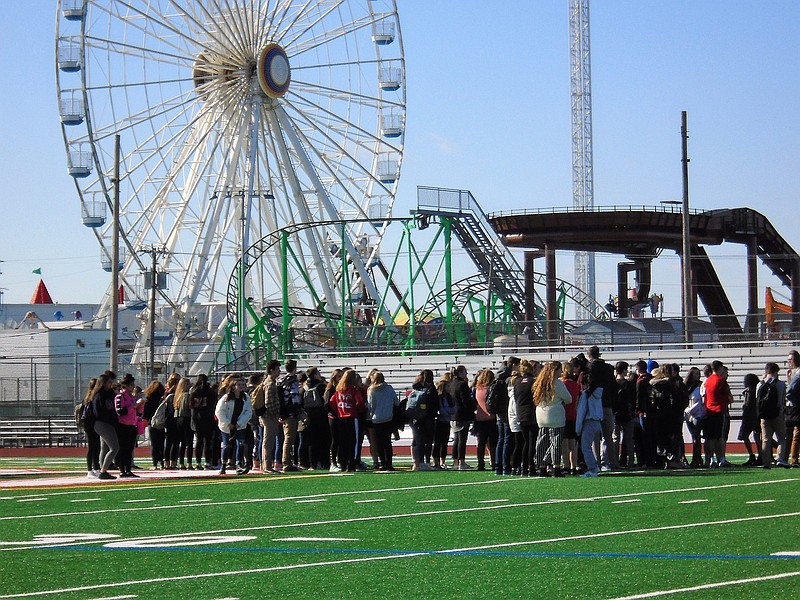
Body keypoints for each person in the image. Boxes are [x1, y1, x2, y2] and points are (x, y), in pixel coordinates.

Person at [532, 361, 572, 477]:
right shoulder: (557, 383)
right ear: (555, 371)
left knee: (542, 441)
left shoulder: (540, 383)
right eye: (560, 370)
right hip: (555, 415)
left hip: (541, 414)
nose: (561, 372)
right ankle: (556, 468)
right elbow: (568, 399)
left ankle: (542, 467)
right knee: (555, 442)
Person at [587, 345, 619, 471]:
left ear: (589, 355)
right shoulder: (608, 369)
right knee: (608, 436)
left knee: (595, 436)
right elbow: (614, 388)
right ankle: (612, 462)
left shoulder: (589, 368)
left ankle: (597, 464)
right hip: (607, 404)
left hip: (594, 405)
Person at [215, 375, 253, 475]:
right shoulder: (226, 398)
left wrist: (239, 423)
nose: (241, 387)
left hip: (240, 425)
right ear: (233, 386)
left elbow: (248, 412)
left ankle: (239, 464)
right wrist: (228, 423)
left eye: (242, 385)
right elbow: (219, 411)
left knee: (241, 444)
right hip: (227, 426)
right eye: (238, 385)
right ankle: (223, 465)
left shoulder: (245, 397)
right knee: (226, 445)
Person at [329, 369, 366, 472]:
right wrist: (360, 410)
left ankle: (343, 463)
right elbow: (360, 403)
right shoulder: (353, 390)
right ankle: (352, 463)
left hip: (341, 418)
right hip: (352, 418)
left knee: (342, 442)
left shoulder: (339, 390)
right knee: (353, 442)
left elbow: (332, 402)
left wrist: (339, 411)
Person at [366, 370, 400, 472]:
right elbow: (396, 402)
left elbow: (370, 405)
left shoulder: (371, 390)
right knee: (387, 442)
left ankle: (382, 463)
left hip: (376, 419)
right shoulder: (389, 389)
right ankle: (389, 463)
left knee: (379, 443)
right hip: (388, 418)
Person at [756, 362, 789, 468]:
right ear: (776, 371)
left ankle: (766, 462)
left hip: (764, 415)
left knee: (766, 439)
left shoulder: (760, 384)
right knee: (781, 438)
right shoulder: (780, 384)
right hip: (777, 414)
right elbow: (782, 399)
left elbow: (757, 399)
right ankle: (780, 458)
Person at [702, 361, 733, 468]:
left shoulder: (707, 380)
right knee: (720, 437)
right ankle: (721, 459)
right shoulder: (721, 381)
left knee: (709, 437)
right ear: (719, 368)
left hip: (708, 411)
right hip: (719, 410)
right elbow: (728, 398)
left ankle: (710, 459)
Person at [513, 359, 540, 477]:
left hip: (520, 413)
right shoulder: (533, 381)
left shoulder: (517, 381)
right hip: (531, 413)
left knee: (525, 442)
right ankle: (531, 467)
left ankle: (524, 468)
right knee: (531, 442)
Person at [299, 367, 329, 470]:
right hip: (321, 416)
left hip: (308, 417)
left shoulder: (303, 388)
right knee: (323, 441)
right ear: (315, 375)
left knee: (311, 442)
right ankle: (324, 462)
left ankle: (313, 463)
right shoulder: (321, 387)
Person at [91, 372, 120, 480]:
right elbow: (99, 412)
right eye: (109, 382)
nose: (111, 384)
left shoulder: (108, 394)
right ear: (103, 383)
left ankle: (102, 469)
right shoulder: (99, 395)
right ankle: (103, 471)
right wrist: (110, 419)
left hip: (106, 423)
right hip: (102, 423)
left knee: (105, 448)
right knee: (114, 447)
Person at [115, 374, 144, 478]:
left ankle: (128, 469)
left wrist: (140, 406)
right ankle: (122, 470)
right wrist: (133, 406)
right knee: (122, 449)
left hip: (132, 425)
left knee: (129, 449)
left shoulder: (132, 397)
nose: (133, 387)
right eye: (131, 385)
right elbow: (119, 411)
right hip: (122, 425)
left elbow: (137, 412)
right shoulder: (120, 396)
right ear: (125, 385)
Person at [446, 365, 474, 470]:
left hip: (453, 415)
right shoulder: (462, 384)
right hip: (462, 415)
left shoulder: (451, 384)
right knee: (462, 439)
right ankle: (461, 462)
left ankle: (455, 462)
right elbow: (465, 401)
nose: (466, 374)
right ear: (461, 373)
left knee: (456, 439)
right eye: (465, 372)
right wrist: (472, 410)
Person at [409, 369, 437, 472]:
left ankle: (417, 462)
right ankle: (424, 462)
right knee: (426, 441)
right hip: (427, 418)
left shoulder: (416, 388)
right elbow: (434, 404)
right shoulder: (430, 388)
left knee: (417, 441)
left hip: (415, 417)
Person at [576, 372, 603, 477]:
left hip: (589, 421)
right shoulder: (599, 394)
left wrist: (578, 428)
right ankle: (596, 466)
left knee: (585, 447)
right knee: (593, 446)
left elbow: (581, 412)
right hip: (597, 422)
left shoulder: (586, 394)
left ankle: (592, 468)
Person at [279, 359, 303, 472]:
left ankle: (285, 461)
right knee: (289, 439)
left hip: (283, 412)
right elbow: (295, 398)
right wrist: (300, 411)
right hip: (291, 413)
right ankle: (287, 463)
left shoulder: (281, 380)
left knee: (286, 438)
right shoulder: (293, 381)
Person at [472, 369, 498, 472]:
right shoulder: (490, 389)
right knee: (492, 443)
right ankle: (493, 462)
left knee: (481, 443)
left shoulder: (477, 389)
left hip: (480, 418)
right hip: (491, 418)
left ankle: (480, 463)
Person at [260, 360, 283, 473]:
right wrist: (276, 413)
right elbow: (268, 402)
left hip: (269, 416)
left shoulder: (270, 382)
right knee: (268, 442)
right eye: (278, 369)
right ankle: (267, 466)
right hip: (269, 416)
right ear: (272, 370)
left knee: (269, 441)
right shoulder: (270, 384)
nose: (279, 371)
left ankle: (267, 465)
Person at [190, 374, 216, 470]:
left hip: (197, 420)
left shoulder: (194, 391)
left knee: (199, 442)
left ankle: (198, 463)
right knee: (208, 442)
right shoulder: (210, 392)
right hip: (209, 419)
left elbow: (192, 408)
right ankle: (208, 462)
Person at [614, 361, 636, 469]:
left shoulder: (613, 383)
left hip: (616, 413)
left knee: (615, 439)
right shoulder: (628, 384)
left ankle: (615, 462)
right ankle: (630, 461)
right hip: (627, 413)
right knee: (629, 439)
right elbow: (632, 399)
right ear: (624, 370)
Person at [683, 367, 706, 468]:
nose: (697, 375)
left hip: (697, 414)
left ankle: (697, 458)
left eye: (698, 373)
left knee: (696, 437)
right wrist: (686, 411)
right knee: (693, 437)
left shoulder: (701, 385)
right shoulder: (686, 386)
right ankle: (695, 459)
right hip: (688, 415)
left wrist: (690, 410)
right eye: (695, 374)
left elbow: (701, 401)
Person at [77, 377, 100, 478]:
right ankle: (90, 470)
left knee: (97, 446)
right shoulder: (90, 397)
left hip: (93, 423)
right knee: (92, 447)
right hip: (90, 424)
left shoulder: (91, 396)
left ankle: (96, 468)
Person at [561, 361, 580, 475]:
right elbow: (576, 402)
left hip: (563, 415)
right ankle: (574, 466)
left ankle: (566, 465)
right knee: (572, 443)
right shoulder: (575, 385)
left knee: (564, 443)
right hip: (573, 414)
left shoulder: (562, 384)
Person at [738, 373, 761, 466]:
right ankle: (760, 455)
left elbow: (746, 405)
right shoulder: (758, 390)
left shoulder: (748, 391)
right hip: (756, 416)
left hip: (748, 416)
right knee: (757, 436)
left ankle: (752, 455)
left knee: (745, 436)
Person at [433, 372, 454, 469]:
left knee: (443, 442)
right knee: (439, 442)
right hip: (440, 420)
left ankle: (440, 461)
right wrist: (449, 412)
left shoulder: (447, 396)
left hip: (445, 420)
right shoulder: (441, 397)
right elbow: (442, 409)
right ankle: (437, 461)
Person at [142, 380, 166, 469]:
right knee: (161, 444)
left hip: (151, 423)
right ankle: (162, 463)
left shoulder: (148, 399)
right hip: (161, 423)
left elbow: (145, 414)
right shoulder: (162, 399)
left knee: (154, 445)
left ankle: (155, 463)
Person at [172, 377, 194, 470]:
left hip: (178, 419)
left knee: (183, 442)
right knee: (189, 442)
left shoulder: (177, 395)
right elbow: (188, 409)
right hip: (186, 418)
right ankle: (189, 463)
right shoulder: (186, 395)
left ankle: (181, 462)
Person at [785, 350, 800, 467]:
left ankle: (792, 457)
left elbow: (790, 391)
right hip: (795, 406)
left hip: (795, 405)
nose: (789, 362)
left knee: (795, 432)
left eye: (790, 360)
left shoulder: (798, 373)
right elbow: (790, 391)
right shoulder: (794, 372)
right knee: (795, 432)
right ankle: (793, 458)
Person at [163, 373, 181, 470]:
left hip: (174, 420)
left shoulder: (177, 394)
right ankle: (167, 462)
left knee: (175, 442)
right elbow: (170, 409)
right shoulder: (170, 395)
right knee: (170, 441)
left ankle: (173, 462)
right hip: (170, 420)